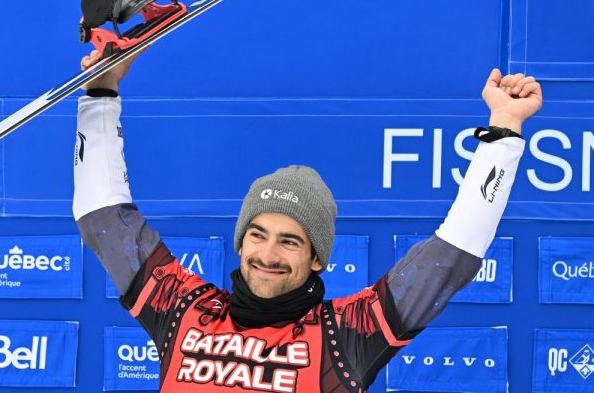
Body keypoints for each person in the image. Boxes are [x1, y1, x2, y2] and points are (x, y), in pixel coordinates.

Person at [74, 50, 541, 392]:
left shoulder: (348, 334)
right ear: (240, 243)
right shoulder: (184, 310)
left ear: (317, 258)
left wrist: (504, 130)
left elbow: (450, 257)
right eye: (257, 235)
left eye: (290, 241)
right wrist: (101, 92)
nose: (268, 254)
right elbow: (103, 220)